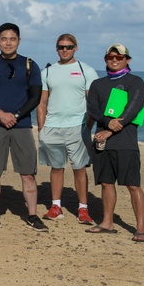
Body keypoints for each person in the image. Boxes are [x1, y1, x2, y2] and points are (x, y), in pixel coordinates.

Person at [0, 23, 48, 232]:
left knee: (28, 173)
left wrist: (15, 116)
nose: (8, 43)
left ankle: (33, 216)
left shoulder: (29, 65)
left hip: (22, 125)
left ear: (19, 41)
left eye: (12, 39)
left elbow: (35, 97)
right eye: (4, 39)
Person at [85, 44, 144, 242]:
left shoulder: (135, 81)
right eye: (110, 57)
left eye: (119, 57)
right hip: (102, 142)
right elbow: (92, 110)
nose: (114, 60)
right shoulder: (97, 84)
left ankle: (140, 228)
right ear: (105, 59)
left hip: (126, 142)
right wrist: (106, 123)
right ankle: (107, 222)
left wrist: (110, 129)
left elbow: (134, 107)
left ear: (127, 60)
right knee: (106, 183)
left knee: (133, 185)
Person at [37, 34, 98, 225]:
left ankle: (83, 209)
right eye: (61, 47)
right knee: (56, 168)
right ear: (56, 48)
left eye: (69, 47)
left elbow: (93, 103)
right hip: (52, 127)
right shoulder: (46, 72)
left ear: (76, 48)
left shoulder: (86, 70)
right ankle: (56, 206)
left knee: (80, 169)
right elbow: (42, 103)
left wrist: (87, 127)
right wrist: (41, 129)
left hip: (78, 128)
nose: (65, 50)